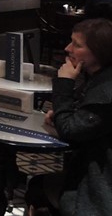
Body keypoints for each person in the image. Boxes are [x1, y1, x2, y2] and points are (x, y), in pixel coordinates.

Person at [26, 18, 112, 216]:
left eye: (77, 45)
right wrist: (62, 115)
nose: (67, 48)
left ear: (99, 52)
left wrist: (64, 83)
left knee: (37, 188)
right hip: (93, 168)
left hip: (102, 187)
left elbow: (70, 130)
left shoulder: (106, 92)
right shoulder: (99, 78)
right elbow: (78, 120)